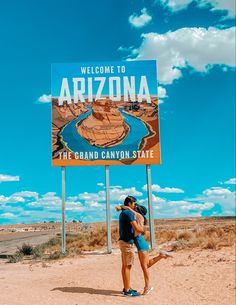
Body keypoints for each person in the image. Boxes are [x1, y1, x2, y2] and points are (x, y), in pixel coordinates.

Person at [116, 200, 172, 295]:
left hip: (142, 245)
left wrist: (136, 230)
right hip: (141, 244)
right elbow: (129, 209)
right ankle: (161, 255)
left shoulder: (138, 217)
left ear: (138, 210)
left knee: (145, 267)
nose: (134, 207)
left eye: (135, 207)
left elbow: (138, 231)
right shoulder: (137, 216)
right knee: (146, 264)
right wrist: (121, 207)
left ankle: (147, 286)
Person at [118, 195, 145, 297]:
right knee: (128, 266)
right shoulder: (129, 213)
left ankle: (126, 287)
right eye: (134, 203)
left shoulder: (123, 213)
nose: (135, 205)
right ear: (129, 203)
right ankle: (127, 291)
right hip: (127, 243)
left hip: (123, 241)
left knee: (125, 265)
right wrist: (143, 229)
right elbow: (137, 228)